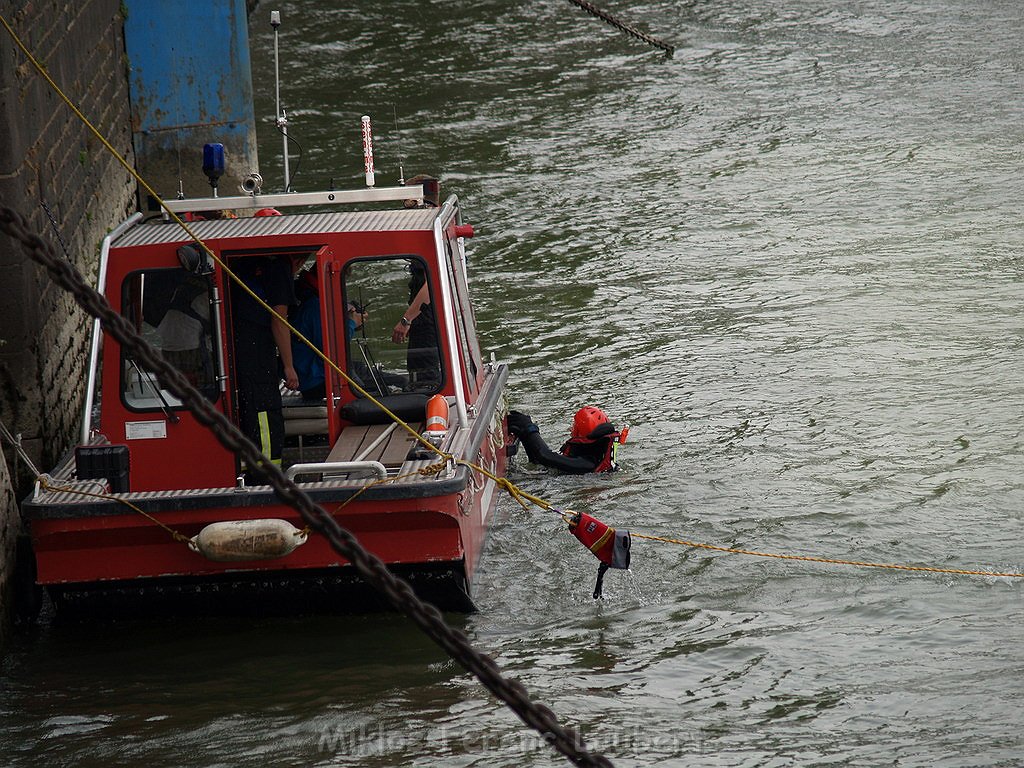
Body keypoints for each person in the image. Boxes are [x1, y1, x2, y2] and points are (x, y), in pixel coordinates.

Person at [230, 252, 304, 473]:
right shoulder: (280, 269)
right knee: (265, 412)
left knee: (252, 407)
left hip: (242, 346)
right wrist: (289, 367)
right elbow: (279, 319)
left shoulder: (246, 263)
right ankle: (267, 472)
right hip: (256, 351)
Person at [506, 406, 628, 474]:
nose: (570, 428)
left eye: (574, 425)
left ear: (581, 432)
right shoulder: (588, 454)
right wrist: (523, 434)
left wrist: (530, 428)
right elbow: (539, 461)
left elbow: (545, 455)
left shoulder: (588, 464)